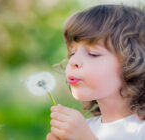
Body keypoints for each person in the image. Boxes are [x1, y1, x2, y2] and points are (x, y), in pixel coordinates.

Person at [46, 4, 145, 140]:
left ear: (135, 62)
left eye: (93, 54)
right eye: (72, 52)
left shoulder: (140, 130)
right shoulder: (84, 128)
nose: (73, 61)